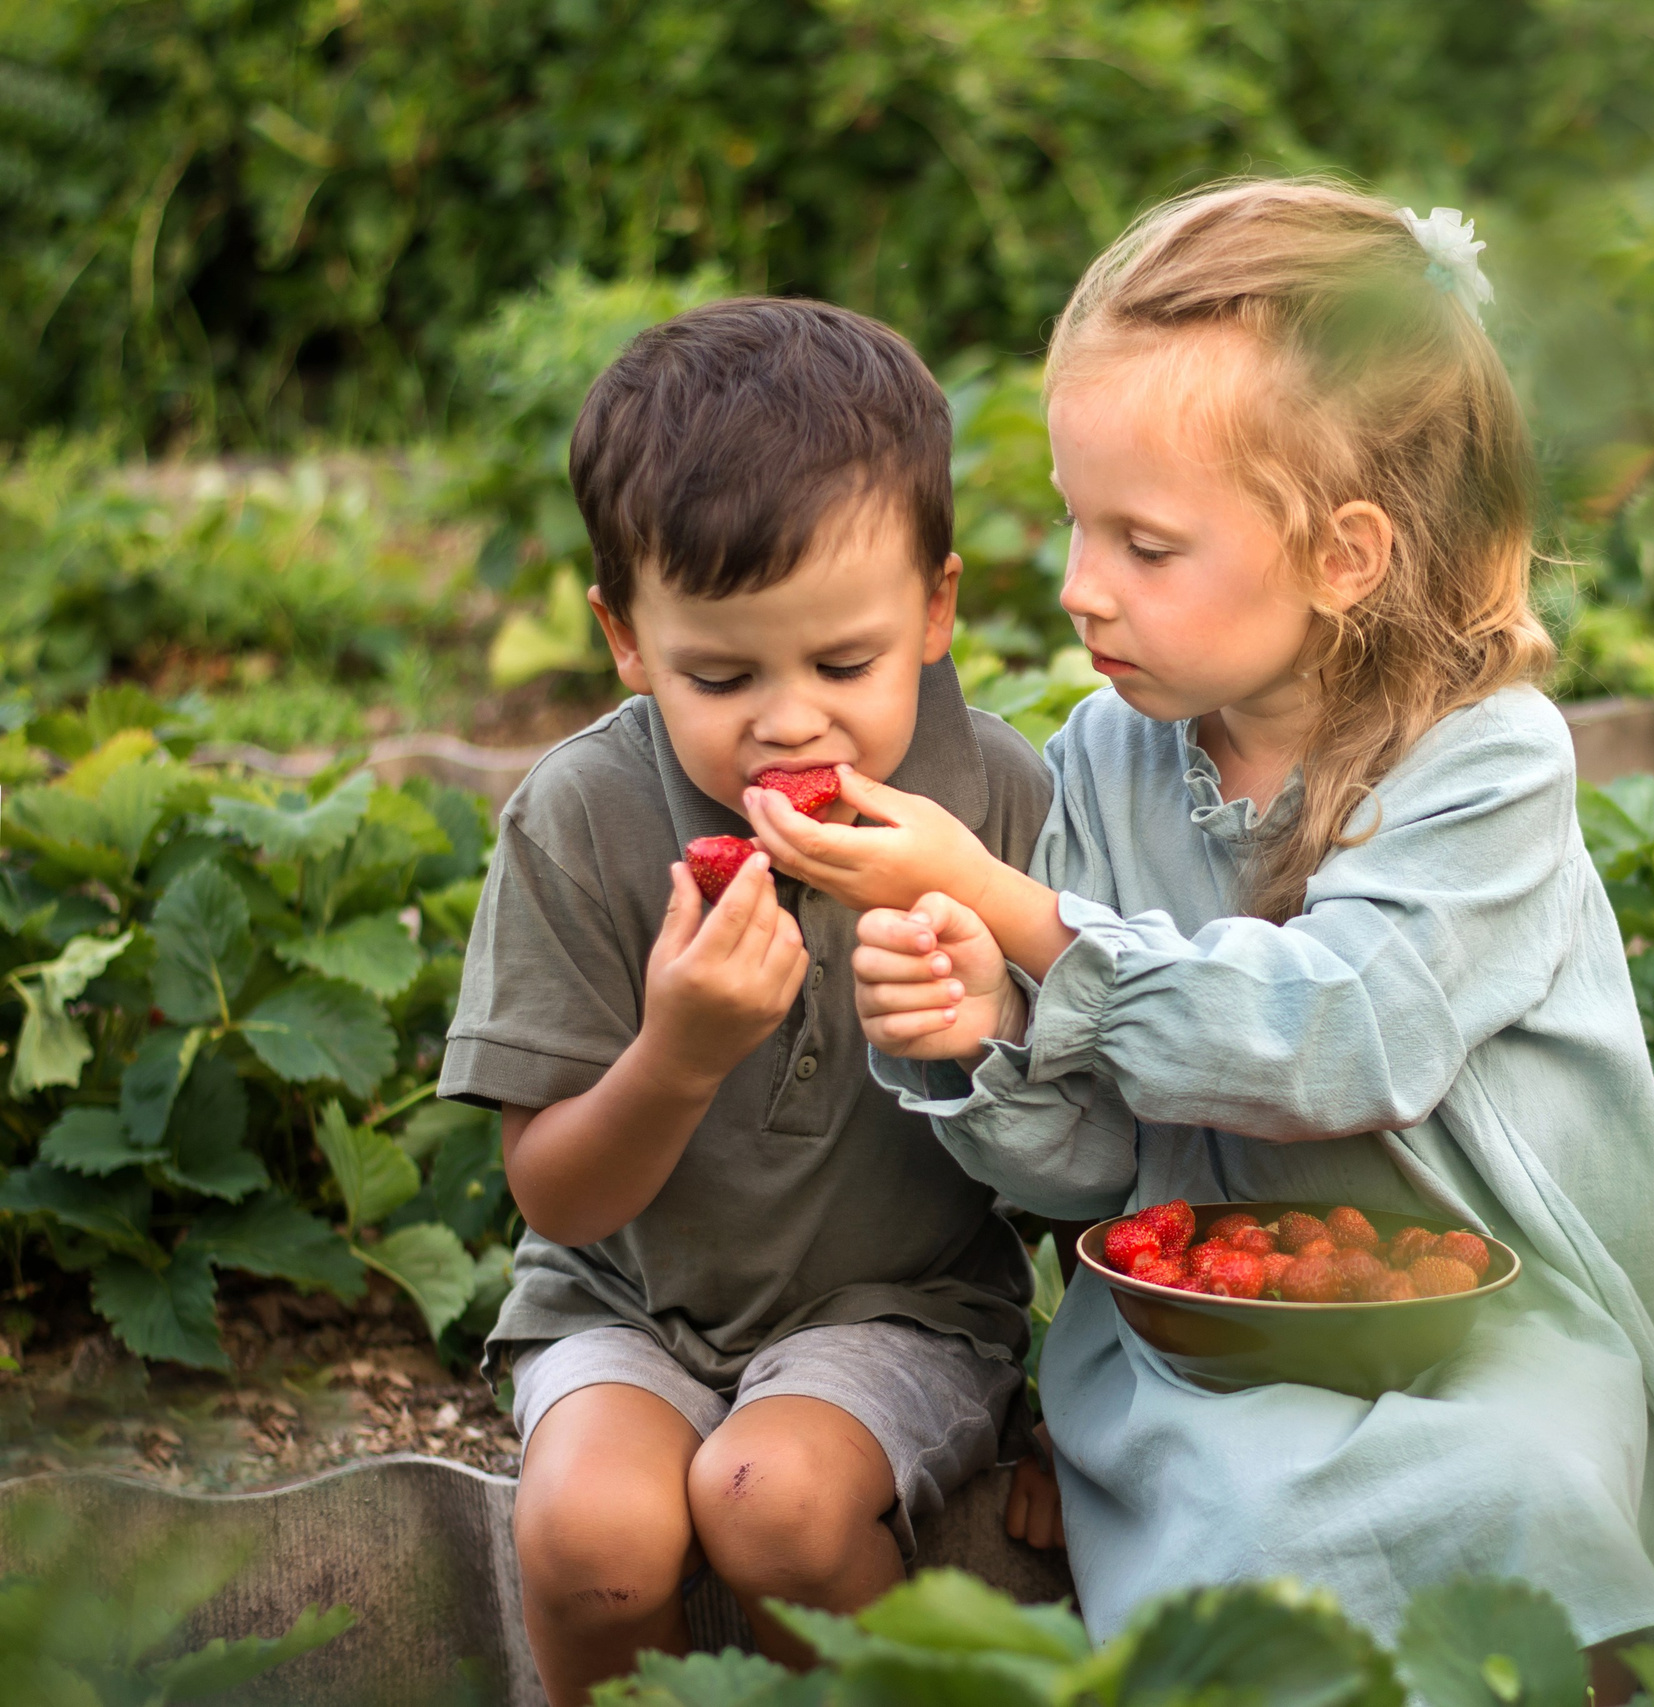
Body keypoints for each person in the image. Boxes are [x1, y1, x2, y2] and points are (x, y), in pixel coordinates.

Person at [744, 181, 1654, 1693]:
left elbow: (1349, 1035)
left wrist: (1025, 917)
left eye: (1147, 546)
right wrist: (982, 1039)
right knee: (1239, 1507)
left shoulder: (1486, 760)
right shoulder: (1107, 756)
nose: (1083, 588)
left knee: (1526, 1486)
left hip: (1494, 1323)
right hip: (1204, 1345)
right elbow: (1101, 1166)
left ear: (1346, 553)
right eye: (1078, 525)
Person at [438, 298, 1054, 1704]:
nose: (790, 722)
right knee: (593, 1538)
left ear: (939, 609)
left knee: (772, 1500)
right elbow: (560, 1202)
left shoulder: (999, 806)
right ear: (626, 638)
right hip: (622, 1301)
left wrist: (991, 1035)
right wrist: (679, 1051)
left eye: (846, 664)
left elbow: (1094, 1143)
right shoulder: (579, 818)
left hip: (899, 1304)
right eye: (722, 674)